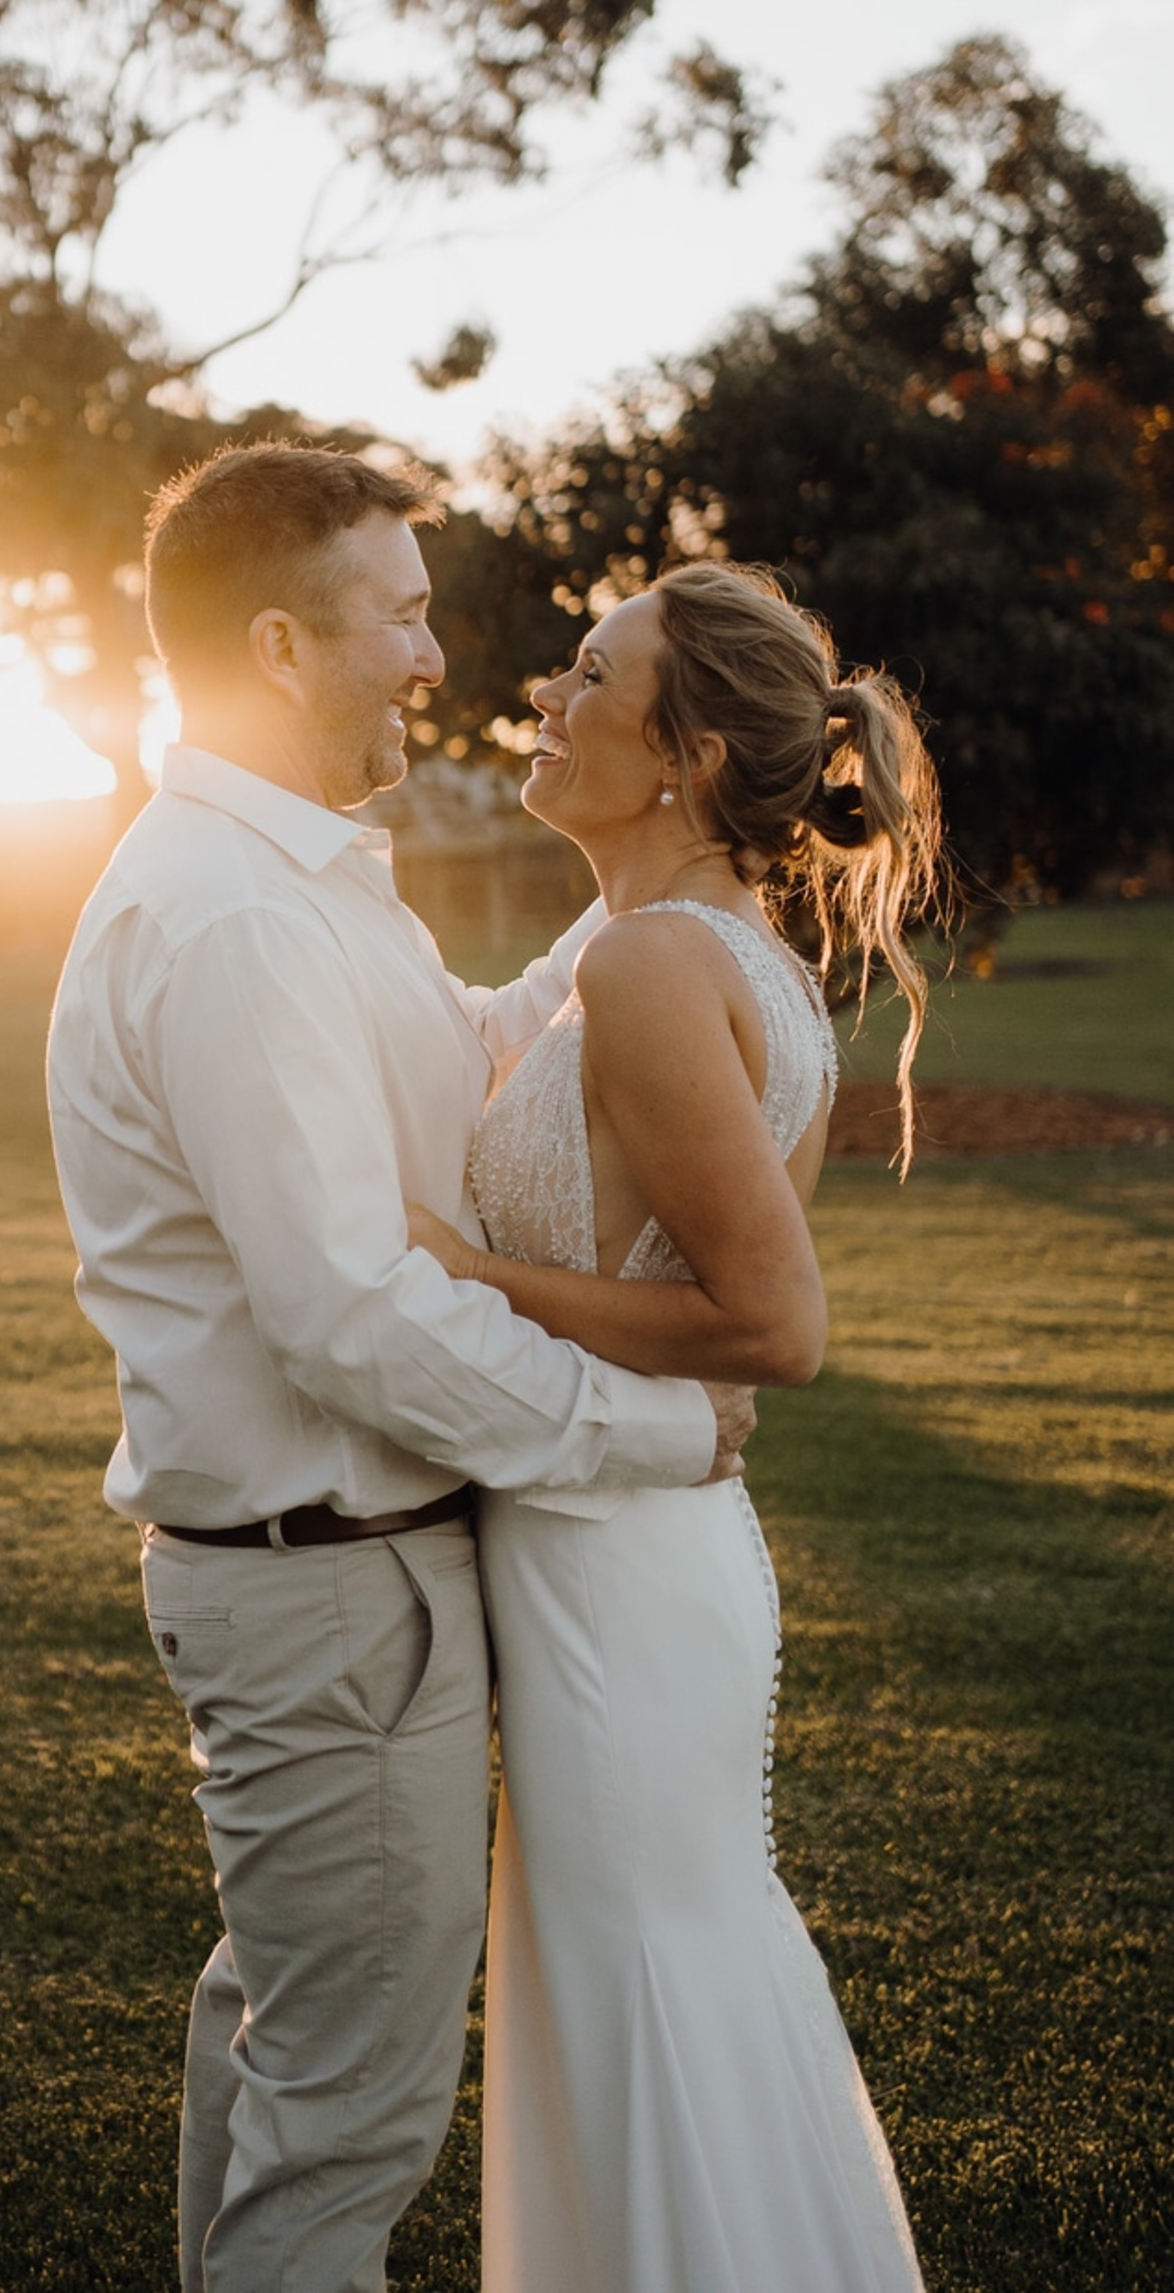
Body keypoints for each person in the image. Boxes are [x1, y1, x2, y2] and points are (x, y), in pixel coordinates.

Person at [45, 443, 745, 2293]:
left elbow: (477, 1053)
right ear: (281, 644)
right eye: (403, 614)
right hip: (334, 1592)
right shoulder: (241, 918)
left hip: (335, 1588)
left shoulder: (300, 886)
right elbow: (349, 1309)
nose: (437, 656)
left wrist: (654, 874)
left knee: (291, 2047)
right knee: (347, 2121)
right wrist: (644, 1429)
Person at [405, 559, 940, 2291]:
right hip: (625, 1548)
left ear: (691, 757)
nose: (544, 705)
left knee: (645, 1983)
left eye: (586, 676)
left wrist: (471, 1273)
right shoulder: (664, 946)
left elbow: (772, 1324)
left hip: (622, 1579)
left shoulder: (649, 969)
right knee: (642, 1977)